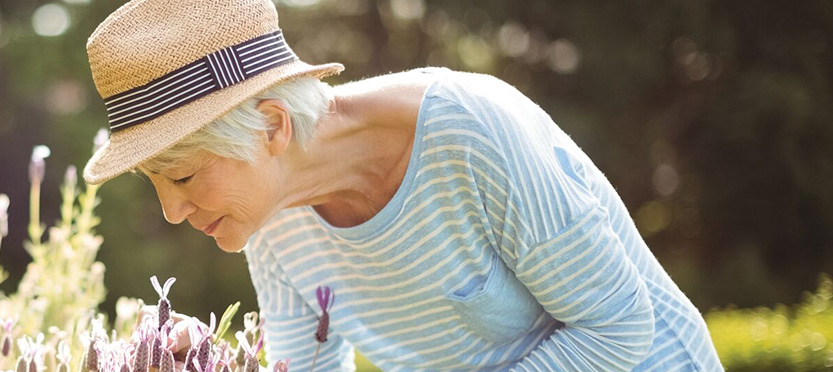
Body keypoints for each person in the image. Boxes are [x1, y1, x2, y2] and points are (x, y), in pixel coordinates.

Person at [83, 0, 724, 371]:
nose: (170, 211)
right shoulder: (270, 224)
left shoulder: (471, 132)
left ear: (271, 126)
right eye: (155, 182)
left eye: (185, 175)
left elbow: (617, 328)